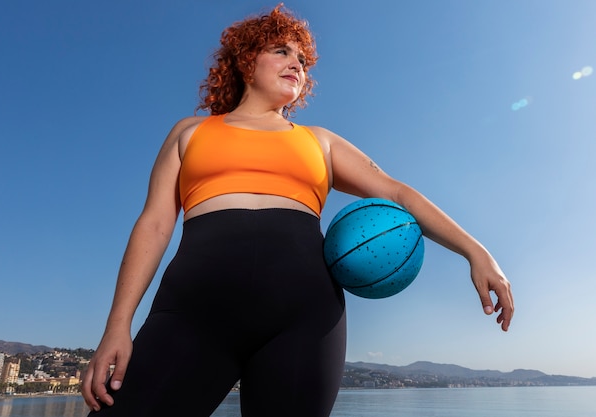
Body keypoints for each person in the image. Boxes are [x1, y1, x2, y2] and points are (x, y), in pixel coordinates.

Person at [81, 4, 514, 416]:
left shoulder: (319, 140)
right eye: (281, 51)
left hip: (305, 316)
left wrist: (476, 252)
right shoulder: (190, 132)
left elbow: (397, 194)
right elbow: (155, 225)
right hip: (194, 308)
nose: (297, 64)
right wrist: (117, 327)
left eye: (303, 59)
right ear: (246, 61)